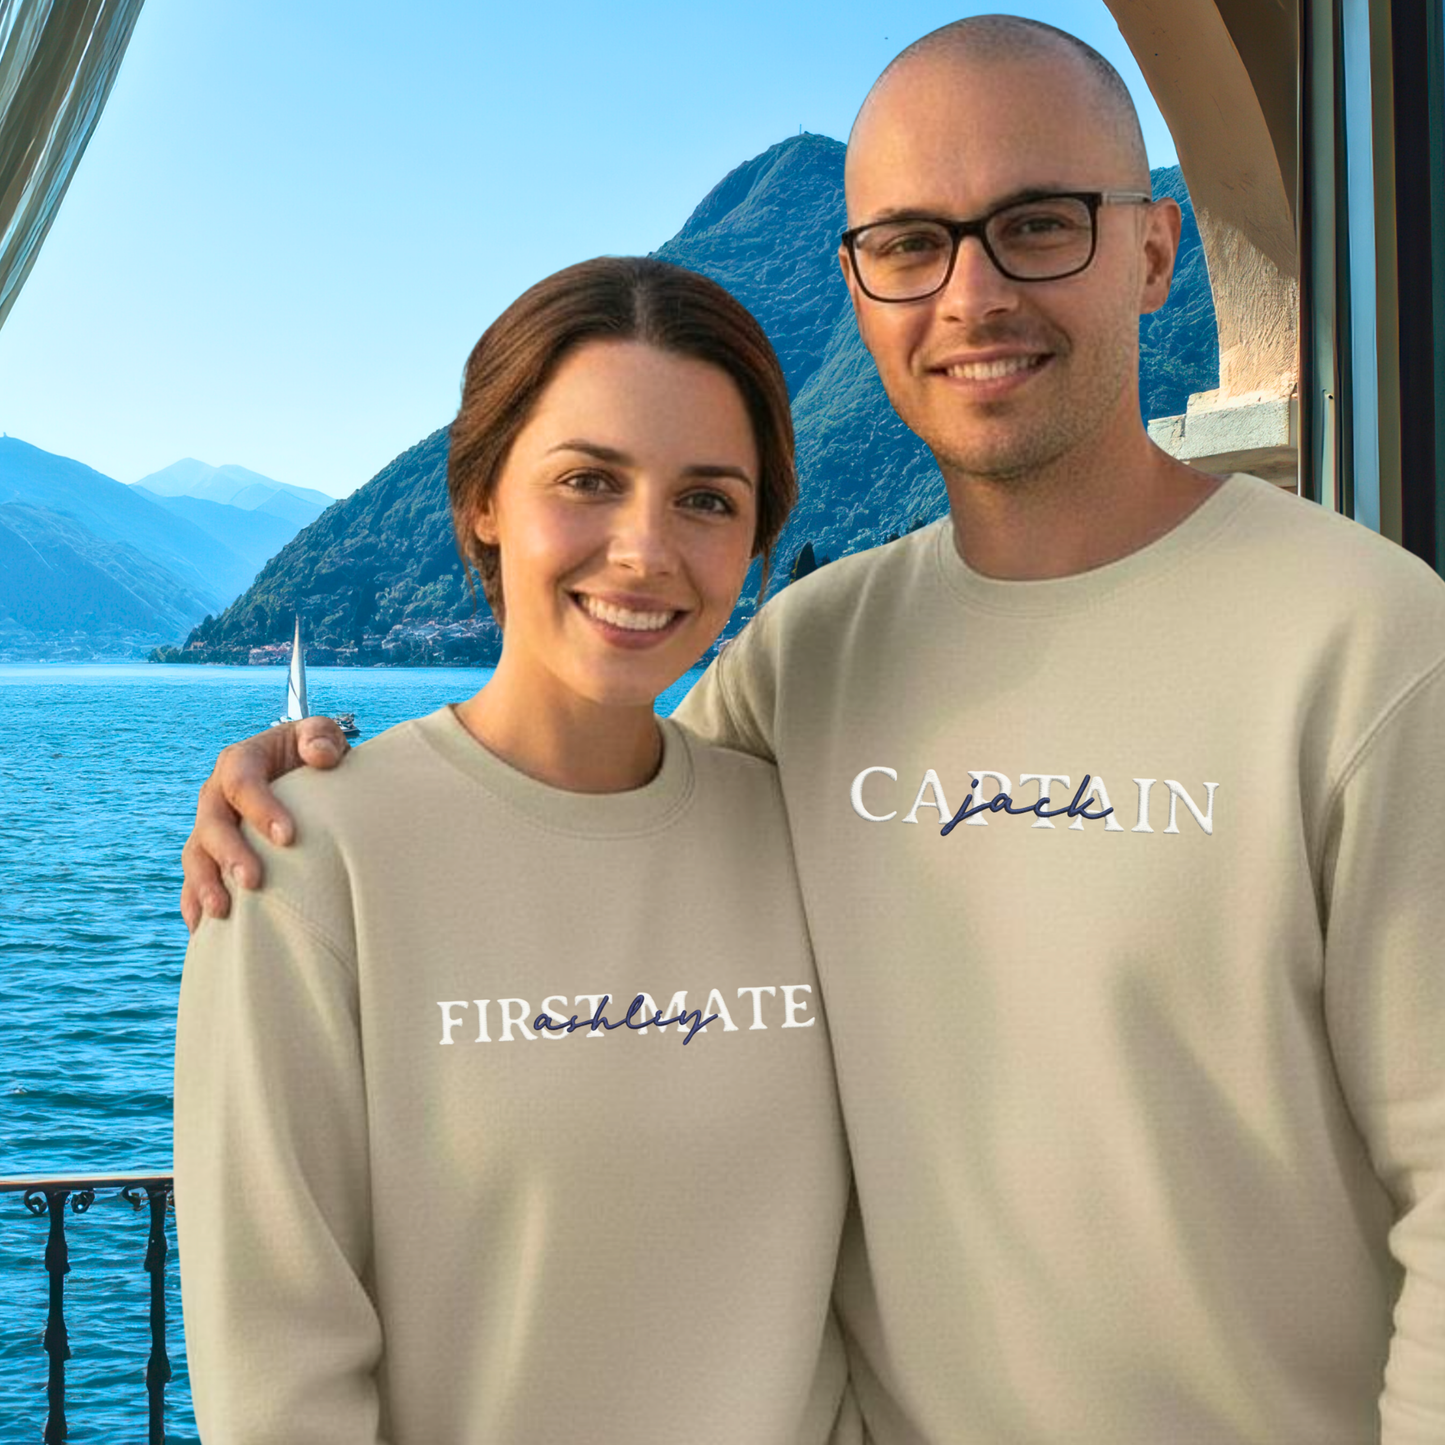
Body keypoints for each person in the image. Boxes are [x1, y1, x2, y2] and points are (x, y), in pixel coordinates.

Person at [180, 17, 1445, 1445]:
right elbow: (564, 787)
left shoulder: (1373, 645)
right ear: (858, 290)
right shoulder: (813, 655)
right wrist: (304, 785)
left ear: (1154, 254)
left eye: (1037, 223)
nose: (971, 293)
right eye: (910, 242)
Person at [172, 256, 861, 1445]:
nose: (644, 549)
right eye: (588, 480)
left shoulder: (806, 835)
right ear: (483, 498)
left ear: (756, 545)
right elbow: (278, 1382)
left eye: (707, 498)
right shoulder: (301, 862)